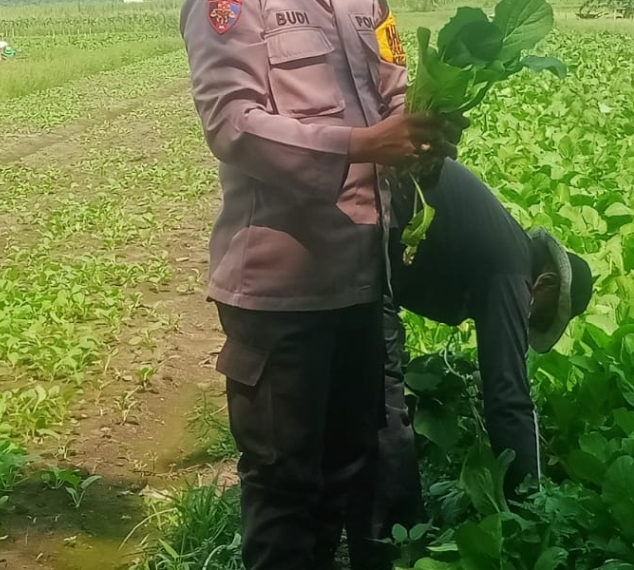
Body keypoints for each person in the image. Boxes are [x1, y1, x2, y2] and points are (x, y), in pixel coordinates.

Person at [179, 1, 456, 568]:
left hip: (362, 281)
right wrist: (361, 145)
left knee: (344, 475)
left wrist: (422, 133)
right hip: (281, 293)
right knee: (285, 492)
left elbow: (395, 91)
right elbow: (231, 124)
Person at [374, 159, 594, 538]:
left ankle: (383, 531)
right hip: (372, 229)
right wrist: (533, 511)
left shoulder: (503, 244)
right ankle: (397, 539)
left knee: (364, 396)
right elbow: (509, 398)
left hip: (369, 231)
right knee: (381, 403)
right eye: (539, 316)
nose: (528, 322)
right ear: (544, 283)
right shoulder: (512, 269)